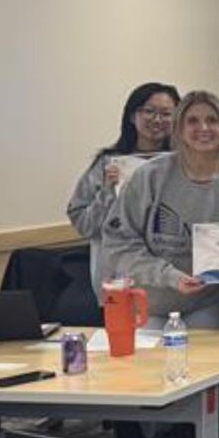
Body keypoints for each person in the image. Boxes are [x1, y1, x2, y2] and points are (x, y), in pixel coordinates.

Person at [102, 90, 219, 328]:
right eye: (192, 121)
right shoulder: (149, 177)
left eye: (212, 120)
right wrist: (170, 276)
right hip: (149, 301)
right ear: (179, 129)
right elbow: (119, 244)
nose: (203, 128)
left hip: (205, 302)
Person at [67, 81, 180, 300]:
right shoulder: (107, 163)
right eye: (149, 111)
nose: (157, 120)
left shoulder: (185, 165)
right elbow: (84, 225)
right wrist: (107, 193)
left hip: (172, 279)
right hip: (119, 279)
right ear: (132, 116)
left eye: (167, 114)